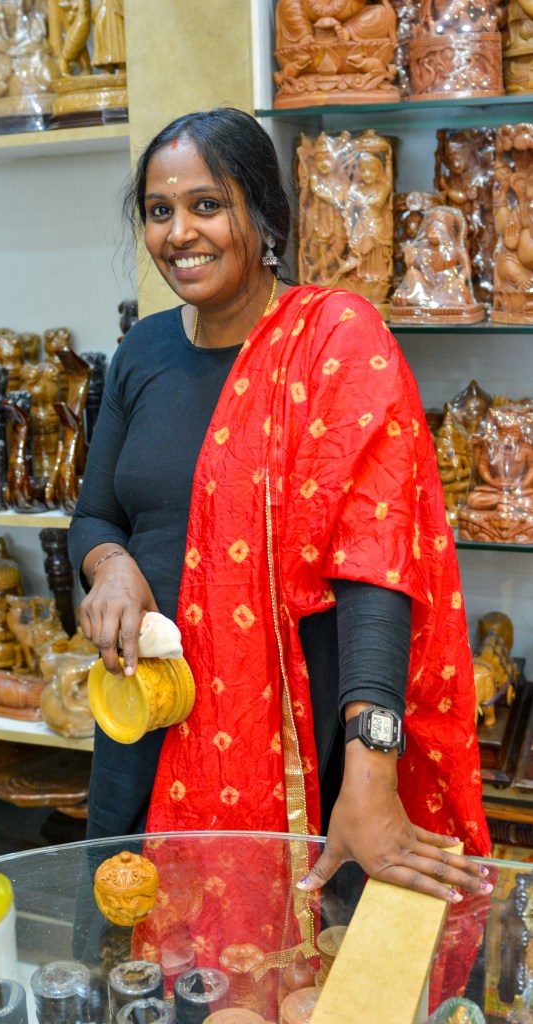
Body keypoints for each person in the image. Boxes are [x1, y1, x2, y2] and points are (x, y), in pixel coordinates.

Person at [68, 107, 491, 905]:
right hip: (146, 716)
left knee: (298, 950)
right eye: (159, 210)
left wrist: (370, 767)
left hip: (304, 738)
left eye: (206, 205)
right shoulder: (141, 352)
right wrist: (110, 565)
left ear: (263, 215)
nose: (179, 233)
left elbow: (376, 567)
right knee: (148, 944)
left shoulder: (335, 340)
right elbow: (95, 516)